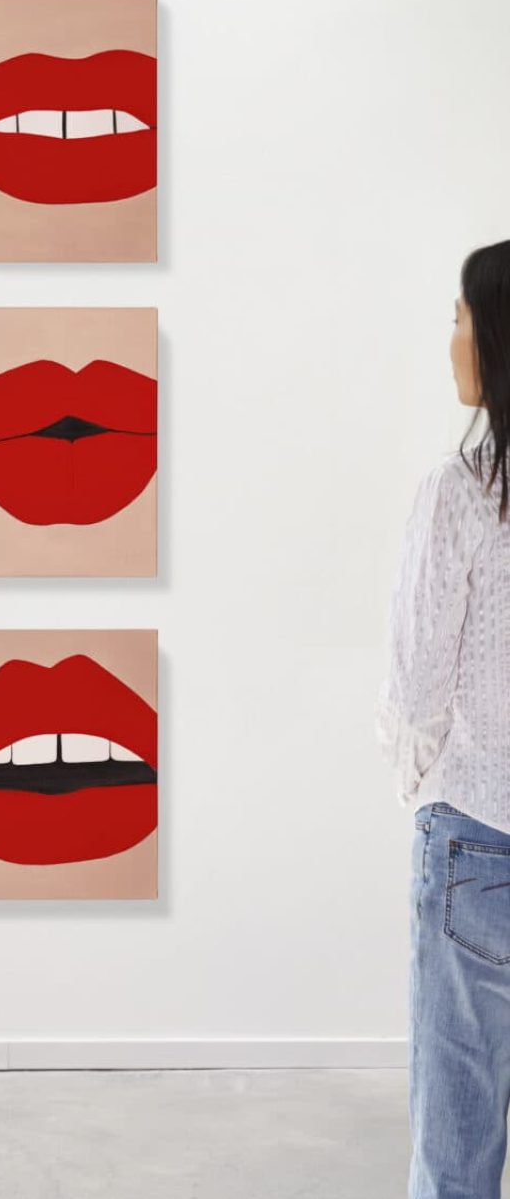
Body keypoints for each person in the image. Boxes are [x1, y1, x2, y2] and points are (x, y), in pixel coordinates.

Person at [376, 239, 510, 1198]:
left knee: (456, 1147)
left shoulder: (461, 493)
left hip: (478, 836)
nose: (450, 340)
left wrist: (417, 784)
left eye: (459, 318)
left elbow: (416, 687)